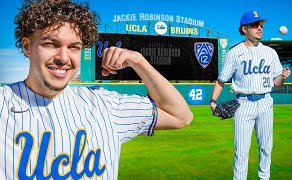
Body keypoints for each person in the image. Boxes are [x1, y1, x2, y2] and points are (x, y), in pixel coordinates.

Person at [0, 0, 193, 179]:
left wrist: (139, 62)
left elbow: (181, 116)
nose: (63, 57)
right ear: (27, 46)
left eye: (74, 47)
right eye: (51, 44)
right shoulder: (3, 103)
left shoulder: (105, 104)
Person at [210, 10, 291, 180]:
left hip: (265, 102)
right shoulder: (234, 53)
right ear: (244, 29)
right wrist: (213, 101)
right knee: (241, 151)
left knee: (266, 148)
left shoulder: (270, 53)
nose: (259, 28)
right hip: (243, 104)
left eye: (261, 24)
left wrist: (282, 77)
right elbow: (221, 80)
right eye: (255, 25)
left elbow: (276, 83)